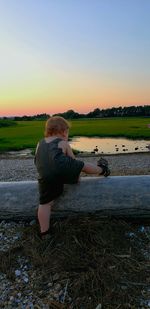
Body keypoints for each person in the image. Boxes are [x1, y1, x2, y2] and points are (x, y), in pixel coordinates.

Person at [34, 116, 110, 238]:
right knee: (82, 165)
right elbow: (72, 160)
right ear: (63, 132)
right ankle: (102, 169)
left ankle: (44, 232)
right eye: (67, 132)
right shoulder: (63, 143)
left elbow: (38, 160)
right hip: (62, 170)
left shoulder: (40, 143)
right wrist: (75, 173)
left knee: (45, 204)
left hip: (45, 176)